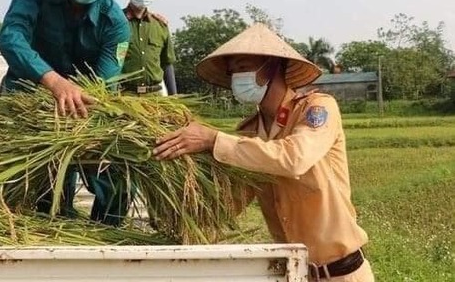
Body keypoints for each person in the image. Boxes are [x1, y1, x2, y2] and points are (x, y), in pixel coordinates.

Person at [153, 23, 375, 281]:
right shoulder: (249, 132)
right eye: (233, 70)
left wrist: (213, 140)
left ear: (272, 66)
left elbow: (294, 159)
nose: (237, 76)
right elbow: (233, 200)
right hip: (294, 273)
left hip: (342, 274)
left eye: (244, 66)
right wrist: (175, 200)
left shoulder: (316, 109)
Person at [0, 0, 132, 226]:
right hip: (27, 99)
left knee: (117, 181)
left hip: (83, 105)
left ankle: (107, 240)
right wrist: (52, 80)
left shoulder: (116, 23)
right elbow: (11, 37)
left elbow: (103, 84)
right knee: (42, 185)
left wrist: (76, 99)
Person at [119, 0, 177, 95]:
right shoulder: (117, 22)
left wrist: (175, 97)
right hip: (125, 95)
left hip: (155, 95)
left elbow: (167, 64)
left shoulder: (160, 25)